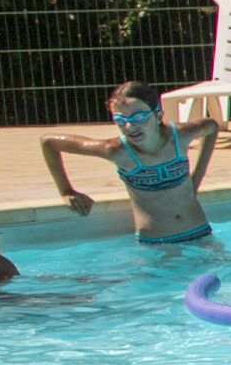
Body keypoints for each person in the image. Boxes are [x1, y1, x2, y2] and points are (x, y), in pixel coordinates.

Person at [40, 81, 219, 244]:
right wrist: (66, 190)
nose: (130, 126)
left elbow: (212, 126)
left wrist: (196, 180)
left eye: (139, 117)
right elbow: (48, 142)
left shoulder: (179, 136)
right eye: (120, 120)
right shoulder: (118, 151)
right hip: (156, 245)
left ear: (158, 116)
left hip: (202, 235)